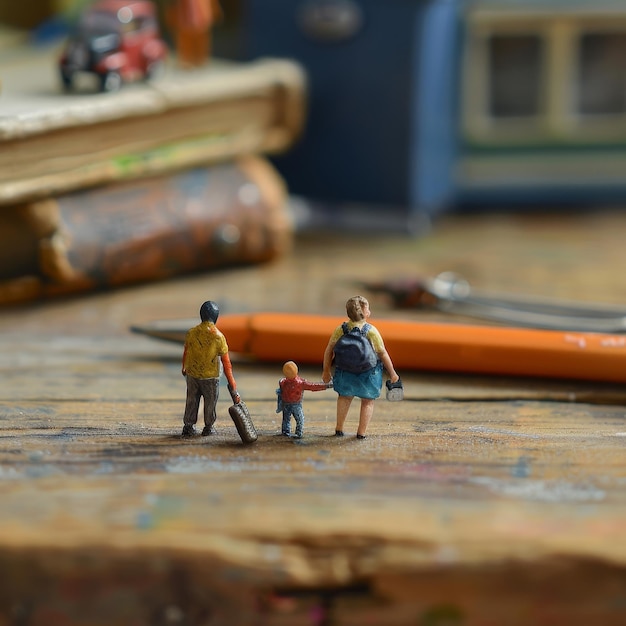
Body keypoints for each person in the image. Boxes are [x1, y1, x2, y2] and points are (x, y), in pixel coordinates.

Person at [322, 296, 399, 439]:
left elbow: (329, 350)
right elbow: (382, 353)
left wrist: (326, 370)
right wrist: (393, 373)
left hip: (345, 372)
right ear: (365, 312)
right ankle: (361, 432)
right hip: (368, 374)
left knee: (344, 398)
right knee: (368, 401)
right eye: (368, 308)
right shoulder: (372, 331)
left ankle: (339, 428)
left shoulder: (341, 329)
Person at [181, 300, 239, 437]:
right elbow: (226, 363)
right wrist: (232, 382)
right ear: (216, 317)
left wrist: (184, 366)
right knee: (210, 402)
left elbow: (186, 351)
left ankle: (188, 426)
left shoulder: (191, 333)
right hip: (211, 377)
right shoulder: (218, 337)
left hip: (192, 374)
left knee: (191, 400)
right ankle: (208, 427)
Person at [278, 361, 330, 439]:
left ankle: (285, 431)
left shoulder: (282, 382)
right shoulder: (300, 383)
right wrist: (326, 386)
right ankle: (298, 433)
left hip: (285, 403)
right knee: (300, 419)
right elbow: (313, 386)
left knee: (286, 419)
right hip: (296, 404)